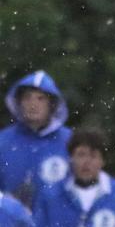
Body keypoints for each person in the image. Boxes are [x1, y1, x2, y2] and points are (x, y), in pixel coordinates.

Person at [0, 71, 72, 209]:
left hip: (55, 226)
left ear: (52, 104)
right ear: (19, 102)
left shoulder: (70, 142)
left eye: (41, 98)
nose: (33, 104)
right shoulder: (3, 141)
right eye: (27, 98)